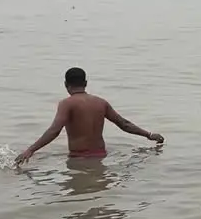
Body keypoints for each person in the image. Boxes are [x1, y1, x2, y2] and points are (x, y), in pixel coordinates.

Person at [15, 67, 163, 165]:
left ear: (66, 84)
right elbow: (124, 124)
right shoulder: (101, 102)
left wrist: (31, 150)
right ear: (85, 83)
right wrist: (149, 135)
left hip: (78, 158)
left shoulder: (67, 104)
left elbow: (54, 131)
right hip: (101, 155)